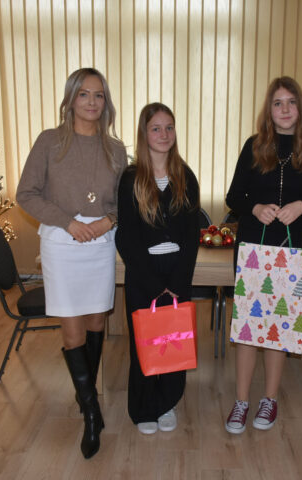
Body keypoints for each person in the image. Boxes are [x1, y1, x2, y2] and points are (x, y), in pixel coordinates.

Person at [16, 68, 127, 459]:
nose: (92, 102)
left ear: (106, 102)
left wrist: (107, 221)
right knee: (72, 327)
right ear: (71, 99)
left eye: (99, 95)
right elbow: (26, 194)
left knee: (97, 321)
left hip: (101, 244)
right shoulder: (49, 141)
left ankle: (86, 395)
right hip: (62, 244)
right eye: (84, 94)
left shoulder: (116, 149)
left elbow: (124, 202)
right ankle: (92, 414)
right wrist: (68, 222)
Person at [224, 77, 302, 434]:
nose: (284, 109)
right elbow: (234, 196)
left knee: (278, 328)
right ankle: (241, 401)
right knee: (248, 330)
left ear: (300, 109)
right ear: (269, 109)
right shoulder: (253, 147)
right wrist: (255, 208)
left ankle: (269, 398)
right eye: (278, 103)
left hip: (290, 249)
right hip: (253, 247)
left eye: (291, 102)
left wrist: (301, 206)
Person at [115, 103, 200, 435]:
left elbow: (192, 235)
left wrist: (177, 280)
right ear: (144, 133)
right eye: (156, 128)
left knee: (172, 340)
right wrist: (152, 282)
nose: (164, 134)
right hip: (143, 273)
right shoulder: (131, 179)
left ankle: (167, 403)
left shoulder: (185, 177)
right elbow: (126, 236)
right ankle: (144, 407)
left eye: (169, 127)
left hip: (177, 271)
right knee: (146, 341)